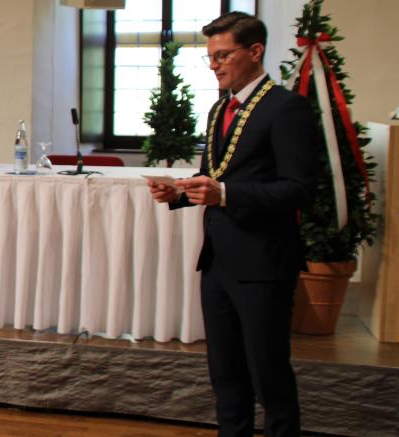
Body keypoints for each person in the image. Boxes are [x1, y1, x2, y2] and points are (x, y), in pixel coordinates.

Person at [148, 12, 320, 437]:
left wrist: (225, 194)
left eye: (222, 55)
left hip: (263, 262)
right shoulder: (219, 108)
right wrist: (180, 193)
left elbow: (299, 189)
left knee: (269, 374)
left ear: (255, 51)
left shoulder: (286, 108)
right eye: (210, 57)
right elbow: (217, 174)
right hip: (219, 260)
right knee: (225, 373)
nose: (215, 65)